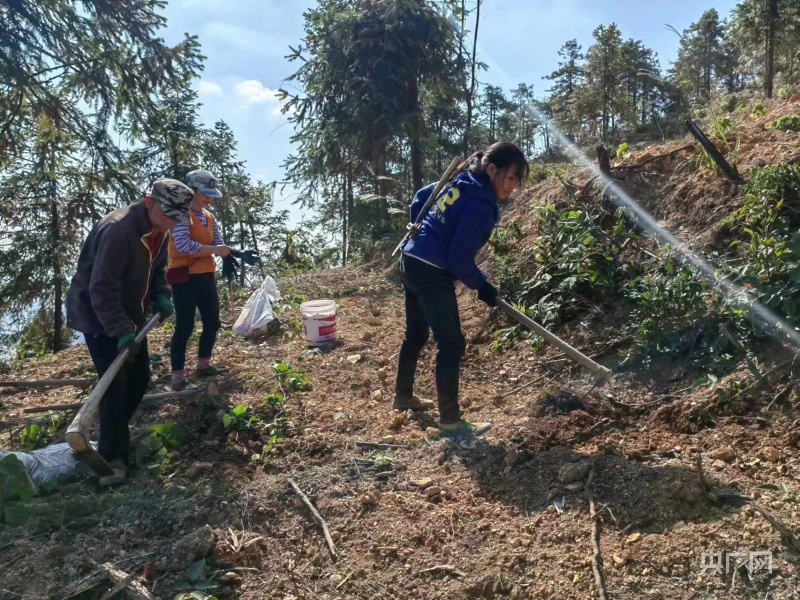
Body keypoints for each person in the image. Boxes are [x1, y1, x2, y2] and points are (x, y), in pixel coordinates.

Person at [395, 142, 529, 437]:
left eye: (518, 180)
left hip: (410, 258)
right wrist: (481, 285)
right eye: (511, 177)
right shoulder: (481, 204)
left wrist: (420, 230)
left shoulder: (462, 179)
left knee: (416, 333)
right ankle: (451, 422)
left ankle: (403, 396)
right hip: (431, 270)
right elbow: (458, 258)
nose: (514, 186)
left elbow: (421, 198)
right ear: (492, 169)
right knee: (452, 343)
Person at [66, 178, 194, 484]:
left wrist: (161, 293)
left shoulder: (159, 229)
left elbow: (157, 269)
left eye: (177, 219)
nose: (172, 224)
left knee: (139, 379)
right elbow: (102, 288)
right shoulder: (119, 230)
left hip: (129, 317)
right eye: (168, 216)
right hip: (99, 318)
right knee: (114, 386)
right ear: (150, 202)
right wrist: (121, 330)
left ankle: (113, 435)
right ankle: (112, 457)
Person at [167, 169, 232, 391]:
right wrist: (215, 250)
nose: (209, 199)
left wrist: (226, 251)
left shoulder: (209, 217)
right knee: (185, 326)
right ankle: (178, 377)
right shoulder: (182, 215)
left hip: (205, 275)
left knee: (212, 322)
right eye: (205, 194)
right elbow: (183, 245)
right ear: (192, 191)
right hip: (185, 277)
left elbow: (217, 241)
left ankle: (204, 364)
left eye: (211, 195)